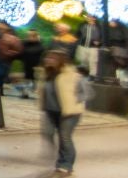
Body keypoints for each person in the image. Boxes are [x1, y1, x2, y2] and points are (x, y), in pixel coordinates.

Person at [40, 46, 84, 175]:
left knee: (64, 137)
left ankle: (66, 164)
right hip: (50, 110)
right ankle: (61, 160)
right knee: (47, 133)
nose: (48, 60)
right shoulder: (45, 73)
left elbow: (86, 93)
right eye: (47, 57)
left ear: (61, 61)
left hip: (70, 112)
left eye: (52, 58)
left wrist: (74, 101)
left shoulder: (73, 75)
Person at [0, 22, 22, 96]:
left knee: (1, 74)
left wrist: (10, 53)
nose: (0, 28)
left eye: (1, 27)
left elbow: (17, 46)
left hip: (6, 58)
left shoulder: (11, 34)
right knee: (0, 74)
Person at [17, 27, 45, 99]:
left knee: (36, 80)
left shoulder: (39, 45)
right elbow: (21, 53)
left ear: (36, 36)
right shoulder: (25, 43)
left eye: (32, 35)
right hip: (27, 65)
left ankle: (39, 94)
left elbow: (40, 53)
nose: (30, 37)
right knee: (26, 80)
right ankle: (25, 93)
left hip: (36, 66)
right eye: (29, 35)